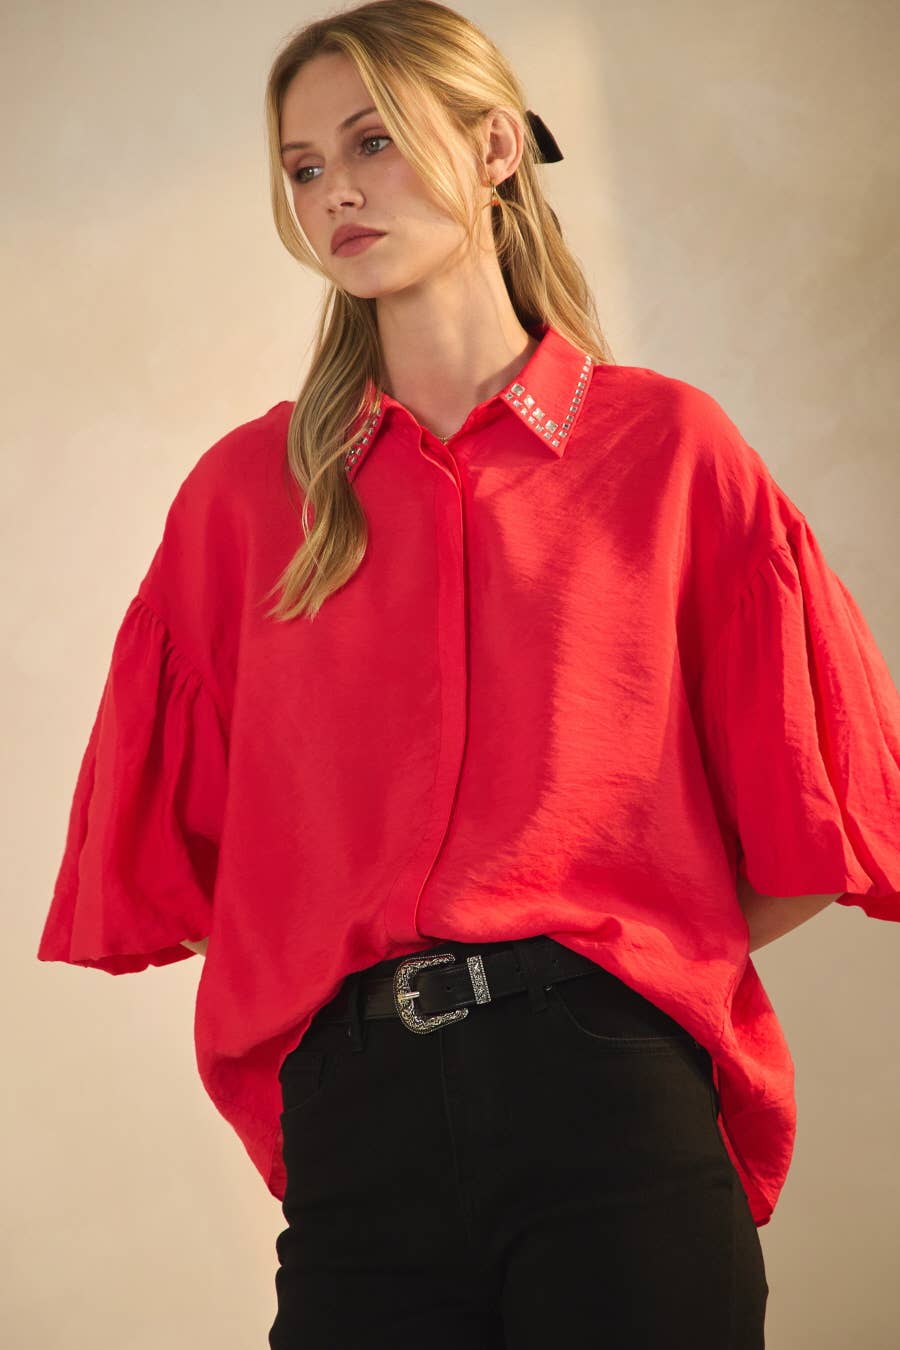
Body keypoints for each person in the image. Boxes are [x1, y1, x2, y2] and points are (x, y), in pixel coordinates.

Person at [36, 1, 900, 1346]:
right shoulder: (245, 499)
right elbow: (192, 864)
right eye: (304, 165)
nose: (334, 190)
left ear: (495, 147)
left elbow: (818, 816)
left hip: (613, 1107)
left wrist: (627, 951)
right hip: (358, 1132)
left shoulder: (670, 450)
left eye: (371, 141)